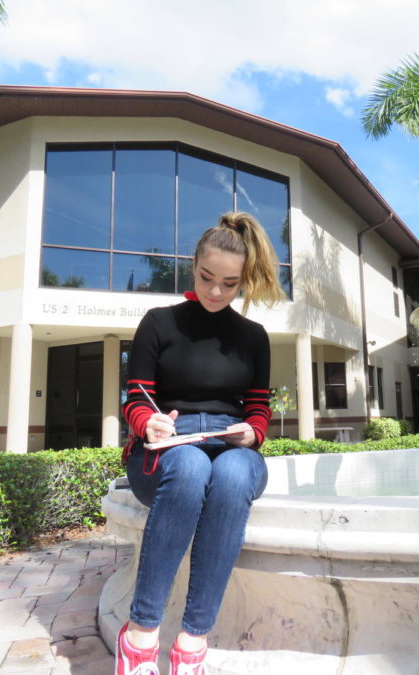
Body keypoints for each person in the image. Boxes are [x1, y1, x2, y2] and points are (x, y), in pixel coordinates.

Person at [116, 211, 285, 675]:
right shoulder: (159, 322)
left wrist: (252, 431)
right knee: (190, 467)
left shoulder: (253, 337)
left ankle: (191, 645)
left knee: (232, 475)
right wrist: (148, 422)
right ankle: (140, 638)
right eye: (207, 277)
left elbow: (257, 408)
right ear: (193, 265)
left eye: (229, 284)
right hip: (165, 451)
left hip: (232, 444)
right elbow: (136, 397)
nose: (215, 291)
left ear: (243, 281)